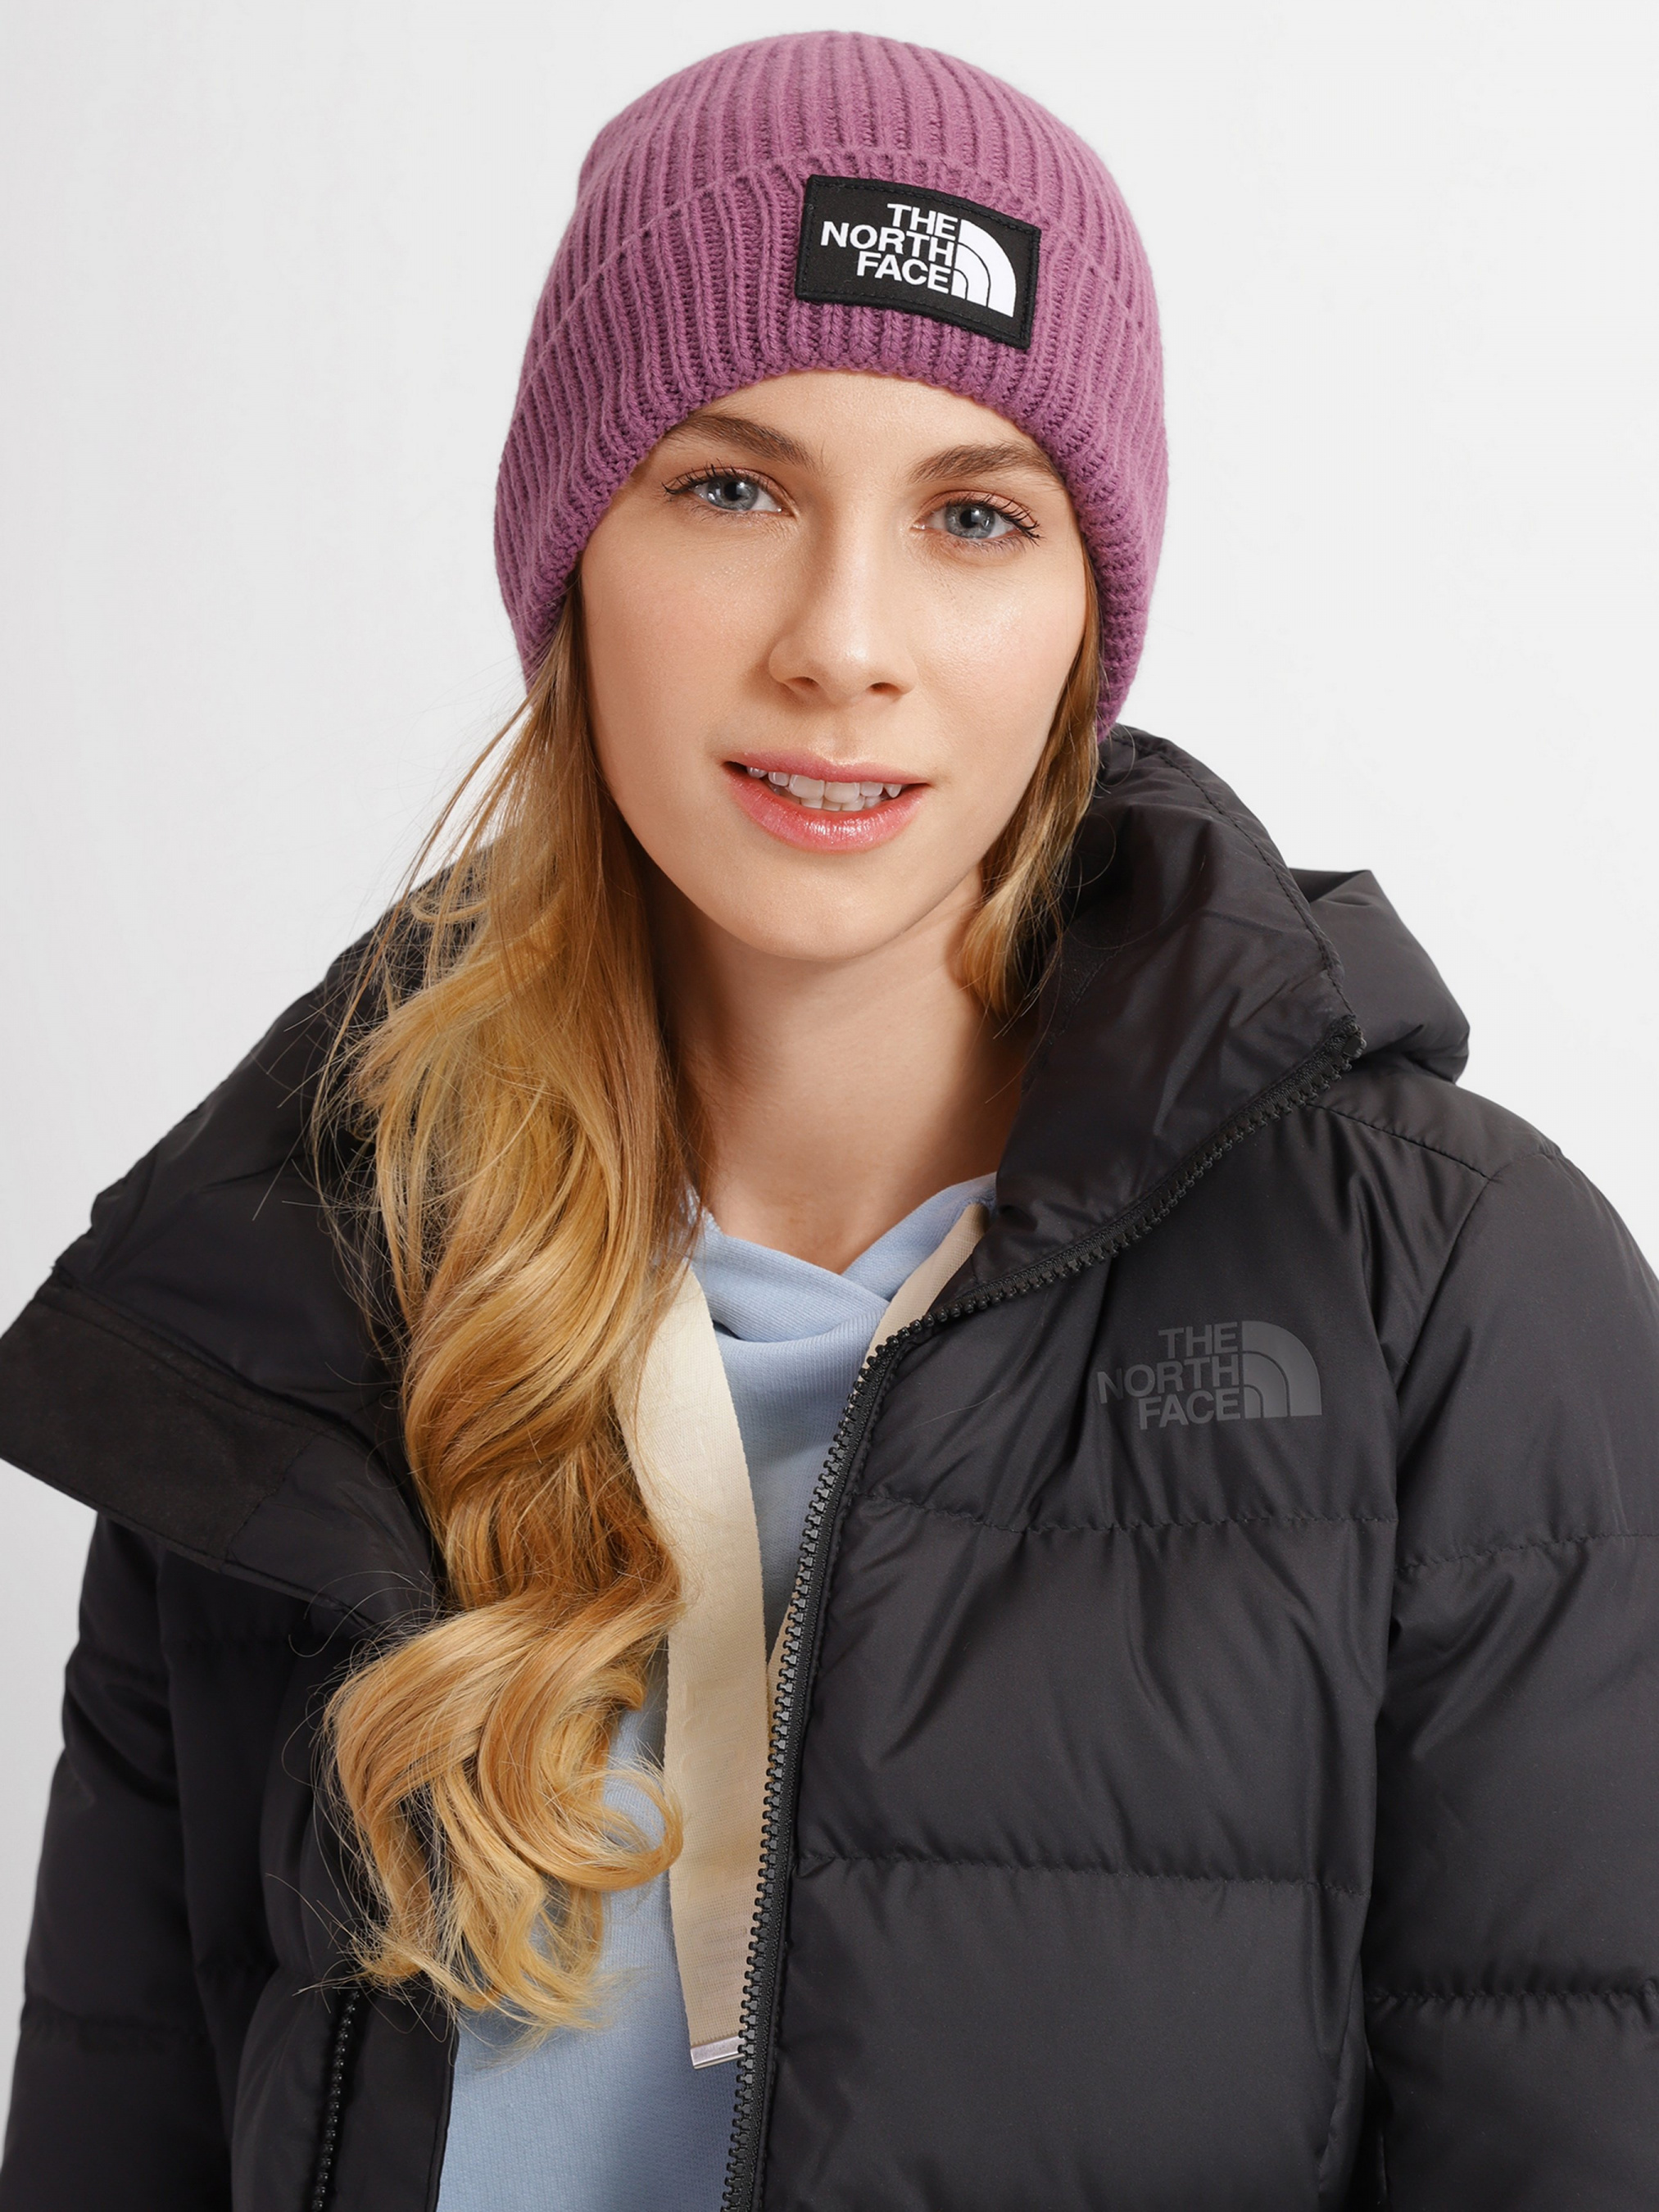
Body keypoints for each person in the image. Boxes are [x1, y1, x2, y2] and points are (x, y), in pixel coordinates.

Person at [2, 28, 1656, 2212]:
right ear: (571, 555)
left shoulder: (1442, 1295)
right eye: (732, 489)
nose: (842, 641)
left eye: (975, 516)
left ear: (1083, 621)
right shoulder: (290, 1288)